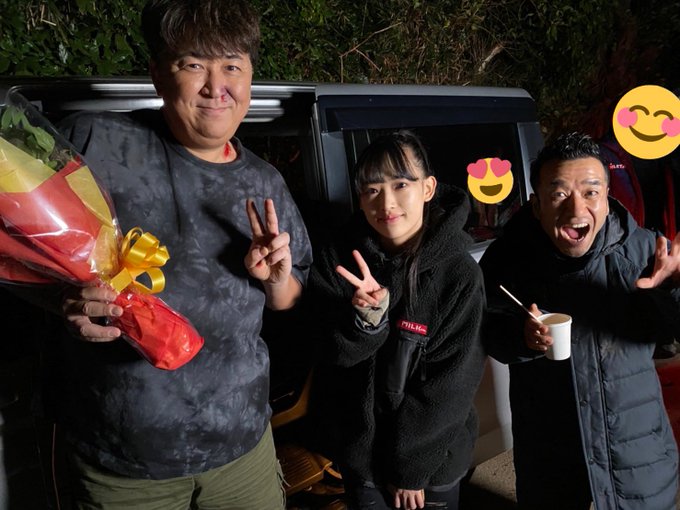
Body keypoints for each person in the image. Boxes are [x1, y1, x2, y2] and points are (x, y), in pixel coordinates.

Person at [33, 0, 312, 508]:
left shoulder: (265, 181)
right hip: (124, 465)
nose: (216, 86)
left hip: (243, 448)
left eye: (232, 66)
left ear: (250, 76)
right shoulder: (96, 144)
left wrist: (277, 281)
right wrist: (62, 301)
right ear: (159, 74)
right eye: (194, 64)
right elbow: (21, 255)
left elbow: (291, 299)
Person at [480, 132, 679, 510]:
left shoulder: (644, 250)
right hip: (549, 455)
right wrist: (522, 338)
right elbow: (487, 331)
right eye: (559, 194)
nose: (576, 210)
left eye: (591, 192)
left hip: (634, 452)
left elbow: (671, 328)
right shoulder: (507, 260)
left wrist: (673, 289)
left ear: (607, 197)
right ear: (537, 205)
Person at [308, 131, 486, 510]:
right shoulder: (338, 260)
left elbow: (450, 385)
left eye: (401, 184)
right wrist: (367, 322)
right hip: (362, 456)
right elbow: (329, 353)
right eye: (371, 190)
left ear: (428, 188)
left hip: (431, 461)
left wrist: (411, 468)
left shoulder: (459, 275)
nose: (386, 203)